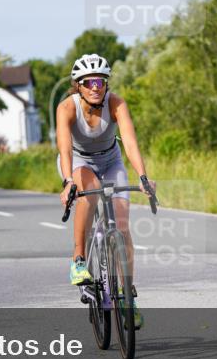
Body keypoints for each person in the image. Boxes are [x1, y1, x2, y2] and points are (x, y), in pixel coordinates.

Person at [56, 53, 155, 329]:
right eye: (89, 82)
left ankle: (127, 296)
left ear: (106, 83)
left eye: (100, 81)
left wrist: (143, 177)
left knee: (122, 227)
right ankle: (79, 260)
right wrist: (68, 181)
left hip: (111, 161)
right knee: (91, 190)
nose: (95, 87)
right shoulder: (66, 108)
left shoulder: (116, 103)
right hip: (78, 162)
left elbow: (130, 143)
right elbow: (65, 148)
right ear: (78, 85)